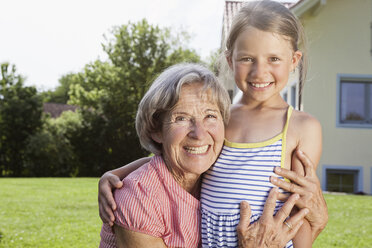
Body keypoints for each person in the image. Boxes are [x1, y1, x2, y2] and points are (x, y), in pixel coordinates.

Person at [100, 0, 329, 246]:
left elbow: (303, 205)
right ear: (230, 61)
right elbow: (177, 156)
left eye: (273, 58)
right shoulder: (220, 119)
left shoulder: (300, 127)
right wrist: (116, 174)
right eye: (248, 59)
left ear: (294, 60)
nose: (259, 72)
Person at [99, 63, 308, 248]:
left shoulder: (217, 172)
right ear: (156, 130)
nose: (199, 134)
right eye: (181, 118)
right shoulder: (139, 198)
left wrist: (317, 218)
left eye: (210, 116)